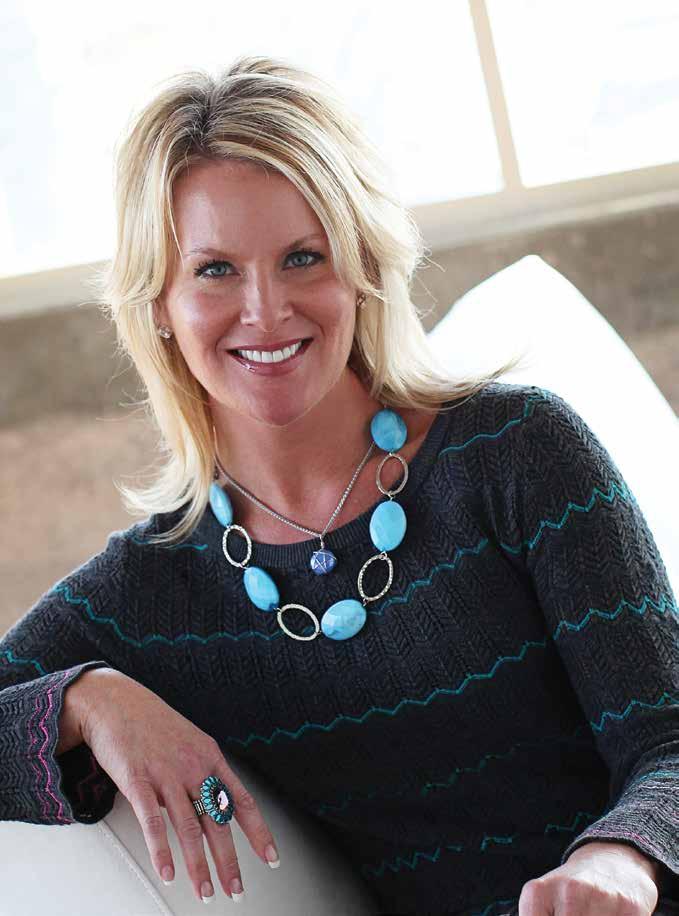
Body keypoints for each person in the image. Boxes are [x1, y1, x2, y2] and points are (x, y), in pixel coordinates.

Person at [1, 54, 677, 916]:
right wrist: (85, 702)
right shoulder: (152, 588)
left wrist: (620, 859)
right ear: (158, 304)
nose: (265, 310)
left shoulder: (517, 452)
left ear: (360, 268)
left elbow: (665, 739)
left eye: (302, 257)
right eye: (214, 270)